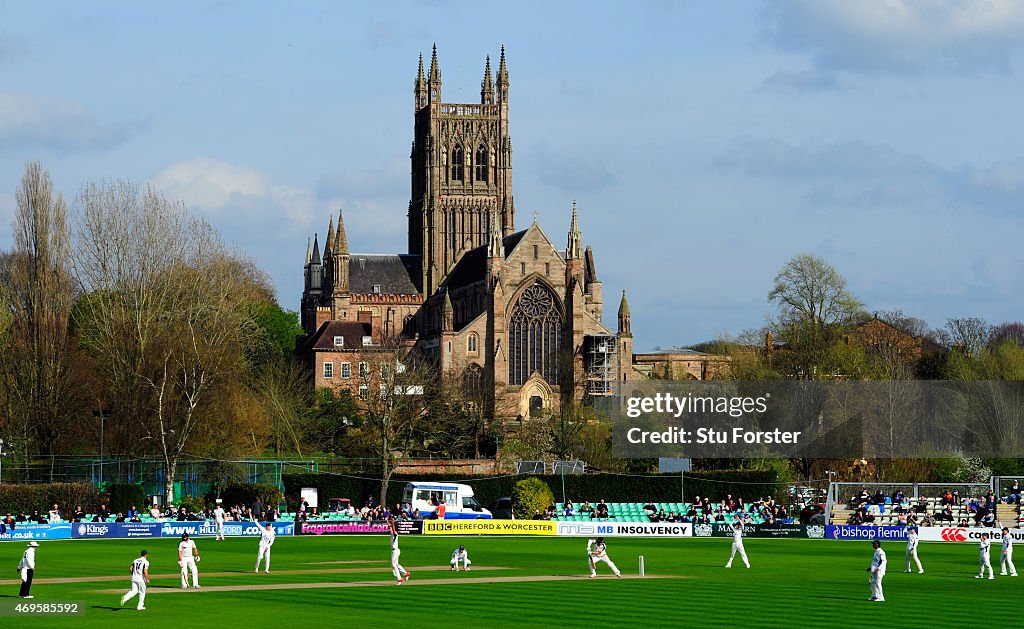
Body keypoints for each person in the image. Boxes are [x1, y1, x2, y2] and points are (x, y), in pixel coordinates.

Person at [388, 517, 410, 585]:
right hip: (395, 551)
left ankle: (399, 578)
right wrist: (387, 521)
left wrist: (392, 523)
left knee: (393, 565)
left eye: (390, 528)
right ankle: (406, 573)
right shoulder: (392, 534)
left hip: (395, 551)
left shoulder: (395, 534)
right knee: (396, 564)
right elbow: (390, 527)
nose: (389, 529)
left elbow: (393, 529)